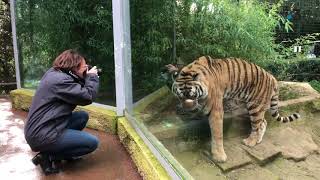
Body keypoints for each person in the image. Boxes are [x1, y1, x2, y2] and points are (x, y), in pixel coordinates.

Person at [24, 49, 100, 175]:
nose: (86, 69)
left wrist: (84, 76)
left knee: (82, 117)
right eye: (84, 67)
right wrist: (92, 78)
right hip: (43, 134)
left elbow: (74, 86)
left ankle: (53, 153)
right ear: (74, 68)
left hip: (41, 128)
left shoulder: (54, 74)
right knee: (92, 143)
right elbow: (87, 97)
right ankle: (49, 156)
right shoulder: (61, 81)